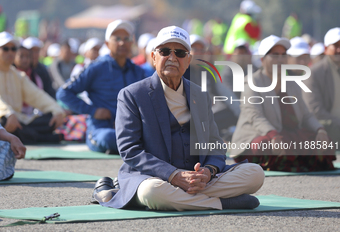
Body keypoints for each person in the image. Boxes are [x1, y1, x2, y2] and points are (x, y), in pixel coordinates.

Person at [92, 26, 264, 211]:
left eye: (180, 53)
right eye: (165, 51)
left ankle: (185, 198)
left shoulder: (200, 94)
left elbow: (215, 143)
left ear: (188, 60)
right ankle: (224, 203)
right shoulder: (132, 95)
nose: (173, 58)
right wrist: (173, 175)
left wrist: (208, 171)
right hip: (155, 179)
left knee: (255, 173)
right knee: (151, 192)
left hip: (200, 180)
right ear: (153, 57)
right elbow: (130, 150)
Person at [231, 35, 336, 172]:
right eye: (275, 55)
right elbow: (255, 116)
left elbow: (306, 115)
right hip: (258, 135)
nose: (280, 60)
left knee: (323, 140)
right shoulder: (252, 82)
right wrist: (273, 134)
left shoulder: (292, 83)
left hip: (286, 134)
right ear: (263, 59)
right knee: (264, 145)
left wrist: (320, 129)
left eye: (283, 55)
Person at [57, 20, 145, 154]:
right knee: (109, 137)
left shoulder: (138, 71)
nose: (122, 43)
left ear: (132, 43)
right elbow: (63, 93)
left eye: (126, 38)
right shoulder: (96, 68)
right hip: (102, 129)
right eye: (117, 38)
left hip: (131, 130)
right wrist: (92, 111)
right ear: (107, 44)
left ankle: (129, 146)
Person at [0, 32, 65, 144]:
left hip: (19, 120)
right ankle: (44, 138)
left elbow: (37, 95)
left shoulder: (17, 75)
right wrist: (8, 113)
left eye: (13, 49)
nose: (10, 52)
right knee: (4, 121)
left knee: (50, 118)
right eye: (5, 49)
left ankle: (29, 136)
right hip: (6, 118)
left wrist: (57, 110)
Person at [302, 27, 340, 144]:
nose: (339, 49)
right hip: (327, 127)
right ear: (326, 49)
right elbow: (315, 111)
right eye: (336, 46)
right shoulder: (313, 73)